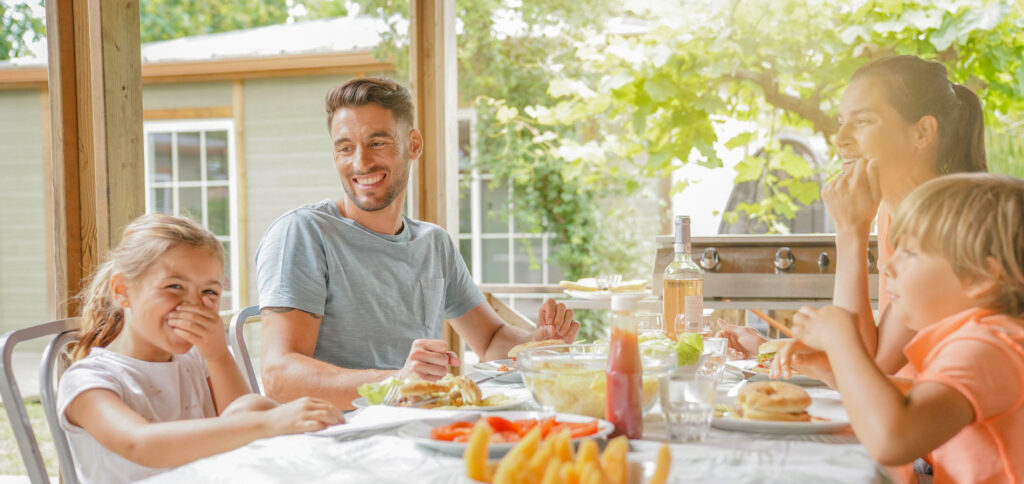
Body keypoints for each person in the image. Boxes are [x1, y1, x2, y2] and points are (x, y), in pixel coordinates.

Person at [256, 77, 580, 409]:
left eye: (377, 143)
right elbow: (279, 377)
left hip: (420, 426)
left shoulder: (433, 244)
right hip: (337, 432)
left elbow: (491, 340)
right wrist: (397, 383)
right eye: (345, 148)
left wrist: (537, 345)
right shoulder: (303, 233)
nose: (360, 162)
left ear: (413, 145)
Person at [717, 55, 987, 379]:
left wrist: (849, 231)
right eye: (841, 120)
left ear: (923, 132)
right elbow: (861, 363)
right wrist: (767, 350)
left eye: (863, 121)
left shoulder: (948, 225)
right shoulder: (893, 213)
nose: (840, 138)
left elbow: (866, 367)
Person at [58, 214, 344, 484]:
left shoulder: (197, 359)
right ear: (122, 291)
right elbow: (139, 444)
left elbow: (245, 428)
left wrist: (217, 355)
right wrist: (270, 422)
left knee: (253, 406)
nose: (194, 305)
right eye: (174, 286)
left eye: (209, 292)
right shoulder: (87, 380)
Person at [787, 173, 1024, 483]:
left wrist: (843, 342)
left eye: (909, 253)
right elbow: (922, 404)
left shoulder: (984, 349)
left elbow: (894, 439)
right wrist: (837, 370)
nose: (887, 266)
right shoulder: (993, 340)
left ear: (980, 278)